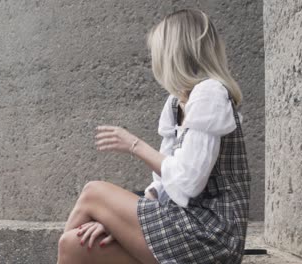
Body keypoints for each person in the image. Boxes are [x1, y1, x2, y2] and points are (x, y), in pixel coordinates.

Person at [57, 8, 251, 264]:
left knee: (93, 192)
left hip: (211, 237)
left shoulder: (210, 93)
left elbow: (188, 182)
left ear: (174, 52)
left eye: (157, 51)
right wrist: (120, 219)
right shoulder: (175, 103)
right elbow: (162, 184)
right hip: (179, 227)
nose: (154, 59)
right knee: (74, 244)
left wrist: (134, 145)